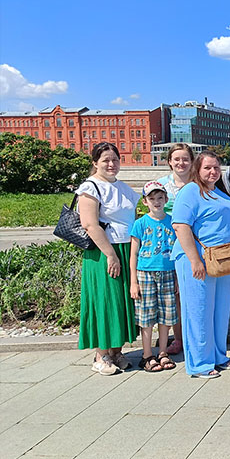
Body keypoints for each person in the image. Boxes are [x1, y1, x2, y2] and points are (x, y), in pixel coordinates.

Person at [172, 151, 230, 378]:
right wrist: (194, 260)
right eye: (207, 168)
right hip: (198, 260)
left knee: (220, 311)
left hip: (222, 260)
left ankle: (219, 355)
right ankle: (200, 363)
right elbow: (181, 226)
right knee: (199, 311)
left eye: (216, 167)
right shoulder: (190, 191)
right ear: (197, 170)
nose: (213, 172)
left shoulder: (219, 192)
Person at [77, 142, 140, 375]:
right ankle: (101, 354)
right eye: (105, 160)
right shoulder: (90, 187)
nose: (111, 164)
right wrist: (111, 255)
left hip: (125, 249)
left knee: (122, 301)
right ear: (95, 162)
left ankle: (116, 350)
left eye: (114, 159)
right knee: (105, 301)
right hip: (104, 251)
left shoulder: (124, 187)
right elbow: (90, 224)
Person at [129, 181, 178, 372]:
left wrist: (176, 279)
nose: (156, 202)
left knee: (166, 315)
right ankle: (147, 354)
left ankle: (163, 352)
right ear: (145, 202)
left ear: (166, 199)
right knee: (146, 316)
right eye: (152, 198)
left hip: (168, 272)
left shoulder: (172, 221)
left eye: (160, 198)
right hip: (145, 273)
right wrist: (134, 281)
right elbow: (133, 253)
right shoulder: (140, 224)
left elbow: (177, 251)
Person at [156, 143, 195, 355]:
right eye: (177, 159)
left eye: (185, 159)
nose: (181, 163)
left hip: (193, 244)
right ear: (169, 161)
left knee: (192, 292)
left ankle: (195, 336)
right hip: (167, 244)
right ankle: (179, 337)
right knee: (173, 295)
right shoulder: (161, 185)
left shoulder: (198, 183)